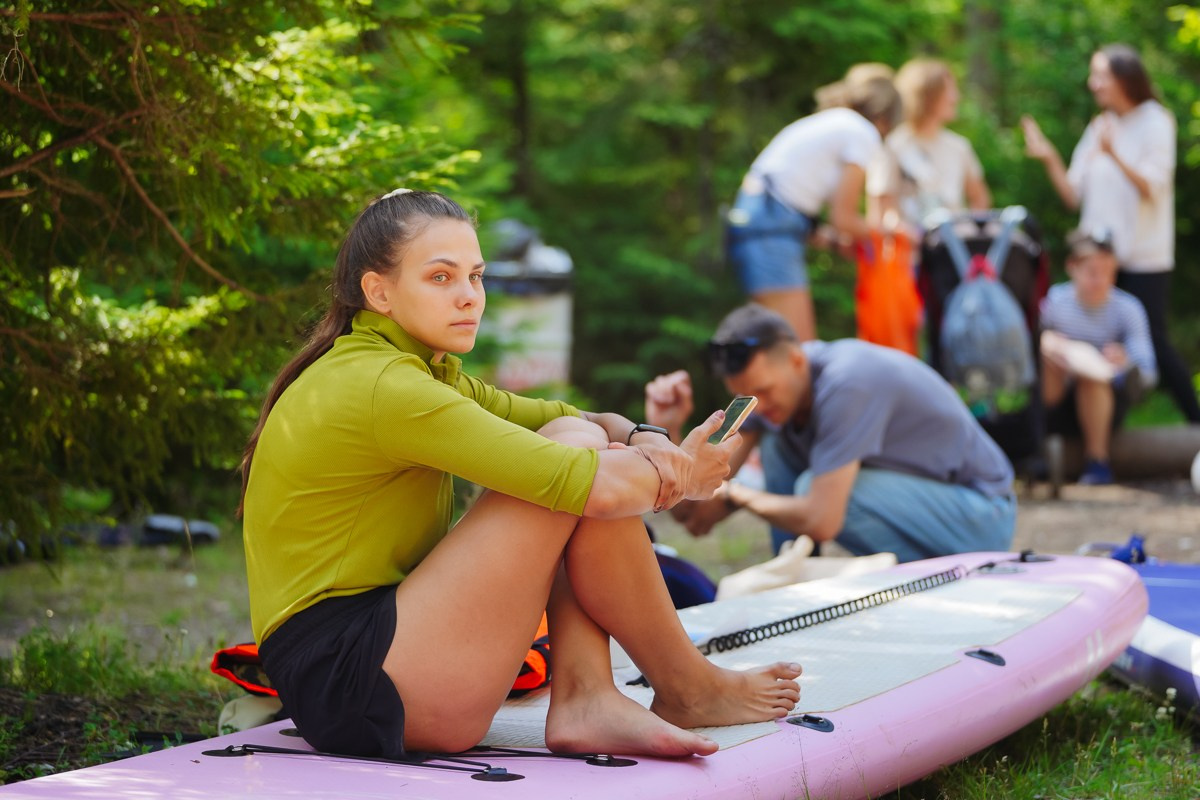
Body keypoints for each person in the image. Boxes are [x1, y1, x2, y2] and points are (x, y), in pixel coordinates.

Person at [237, 190, 802, 761]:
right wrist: (686, 477)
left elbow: (571, 417)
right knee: (575, 464)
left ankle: (594, 696)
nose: (468, 298)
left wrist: (647, 439)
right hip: (356, 685)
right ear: (378, 291)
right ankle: (677, 688)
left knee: (577, 443)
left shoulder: (414, 369)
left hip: (375, 661)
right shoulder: (388, 386)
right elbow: (597, 486)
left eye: (476, 277)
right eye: (440, 278)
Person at [645, 303, 1016, 561]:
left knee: (812, 490)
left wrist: (740, 495)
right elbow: (697, 516)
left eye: (764, 391)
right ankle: (795, 573)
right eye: (746, 396)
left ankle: (930, 584)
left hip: (982, 515)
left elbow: (822, 520)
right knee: (778, 447)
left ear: (795, 359)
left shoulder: (849, 382)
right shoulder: (772, 398)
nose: (758, 404)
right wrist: (671, 428)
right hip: (921, 504)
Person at [1022, 44, 1200, 423]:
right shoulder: (1099, 125)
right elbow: (1073, 194)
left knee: (1151, 339)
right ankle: (1087, 433)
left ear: (1123, 77)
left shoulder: (1156, 121)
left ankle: (1193, 419)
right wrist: (1050, 157)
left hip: (1140, 256)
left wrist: (1114, 152)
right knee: (1085, 342)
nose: (1093, 84)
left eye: (1100, 75)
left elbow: (1152, 186)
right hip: (1096, 257)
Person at [726, 64, 902, 342]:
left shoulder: (835, 123)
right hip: (771, 230)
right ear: (885, 118)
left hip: (758, 222)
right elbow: (842, 218)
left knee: (771, 348)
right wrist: (890, 235)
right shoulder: (861, 132)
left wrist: (835, 241)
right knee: (798, 350)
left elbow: (803, 208)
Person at [1040, 228, 1157, 485]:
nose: (1101, 280)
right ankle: (1037, 446)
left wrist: (1125, 361)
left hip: (1105, 403)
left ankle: (1097, 459)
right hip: (1057, 398)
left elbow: (1148, 372)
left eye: (1108, 272)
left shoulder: (1128, 308)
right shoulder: (1054, 303)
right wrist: (1048, 344)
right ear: (1072, 267)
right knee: (1046, 355)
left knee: (1091, 379)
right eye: (1093, 272)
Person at [868, 58, 991, 231]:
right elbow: (882, 209)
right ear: (926, 95)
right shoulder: (894, 146)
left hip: (955, 249)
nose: (956, 97)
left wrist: (971, 235)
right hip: (912, 250)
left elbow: (980, 198)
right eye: (948, 90)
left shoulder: (959, 146)